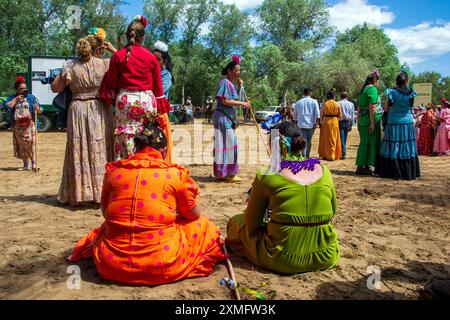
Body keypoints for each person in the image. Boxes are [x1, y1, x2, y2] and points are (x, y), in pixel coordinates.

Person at [68, 123, 226, 285]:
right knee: (204, 225)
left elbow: (106, 213)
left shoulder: (114, 172)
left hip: (110, 264)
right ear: (164, 150)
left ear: (136, 148)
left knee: (108, 227)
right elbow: (193, 214)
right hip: (160, 265)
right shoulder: (174, 174)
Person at [226, 122, 339, 274]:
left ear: (275, 146)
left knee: (236, 222)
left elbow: (251, 224)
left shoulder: (268, 174)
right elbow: (333, 211)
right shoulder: (324, 171)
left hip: (281, 257)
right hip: (325, 254)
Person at [51, 29, 116, 205]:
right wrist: (113, 49)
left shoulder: (70, 66)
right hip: (99, 108)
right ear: (99, 48)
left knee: (78, 148)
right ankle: (101, 192)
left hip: (78, 109)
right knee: (100, 147)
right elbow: (127, 66)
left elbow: (55, 88)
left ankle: (80, 193)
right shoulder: (105, 64)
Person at [100, 15, 172, 162]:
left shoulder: (118, 56)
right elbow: (158, 90)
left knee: (124, 137)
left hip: (125, 103)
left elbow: (111, 85)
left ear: (127, 36)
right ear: (143, 37)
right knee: (148, 137)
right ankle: (146, 172)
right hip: (146, 102)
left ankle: (125, 172)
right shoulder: (151, 58)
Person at [213, 56, 251, 182]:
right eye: (236, 70)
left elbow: (235, 99)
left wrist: (240, 88)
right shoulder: (225, 83)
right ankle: (229, 174)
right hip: (223, 118)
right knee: (230, 145)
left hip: (228, 118)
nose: (238, 73)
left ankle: (223, 173)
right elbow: (225, 101)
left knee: (225, 145)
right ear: (229, 71)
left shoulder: (231, 85)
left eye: (239, 70)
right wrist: (243, 104)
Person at [376, 71, 420, 180]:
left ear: (397, 81)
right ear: (407, 81)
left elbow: (387, 108)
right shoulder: (411, 93)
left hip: (394, 122)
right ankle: (407, 172)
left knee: (393, 145)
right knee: (406, 145)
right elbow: (410, 106)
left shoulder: (391, 92)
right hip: (407, 122)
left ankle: (393, 171)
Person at [4, 76, 42, 170]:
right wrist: (16, 99)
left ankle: (33, 163)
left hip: (29, 125)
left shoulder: (32, 98)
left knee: (30, 143)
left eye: (25, 88)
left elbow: (40, 110)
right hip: (18, 126)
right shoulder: (12, 98)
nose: (24, 90)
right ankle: (25, 165)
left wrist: (38, 109)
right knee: (21, 145)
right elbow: (7, 107)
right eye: (21, 88)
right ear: (17, 89)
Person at [355, 71, 382, 175]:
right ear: (375, 81)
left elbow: (359, 107)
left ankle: (363, 165)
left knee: (364, 143)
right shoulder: (372, 89)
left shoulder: (364, 89)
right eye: (378, 81)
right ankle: (365, 166)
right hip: (369, 121)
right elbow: (372, 107)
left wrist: (357, 122)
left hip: (363, 120)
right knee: (370, 144)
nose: (379, 83)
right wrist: (372, 123)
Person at [153, 40, 175, 162]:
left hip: (159, 115)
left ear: (164, 61)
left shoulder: (166, 75)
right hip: (150, 114)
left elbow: (158, 91)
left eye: (158, 60)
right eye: (153, 59)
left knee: (160, 146)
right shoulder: (150, 73)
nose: (155, 62)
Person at [293, 88, 320, 158]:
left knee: (303, 140)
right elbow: (317, 114)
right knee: (308, 140)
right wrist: (317, 123)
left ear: (304, 93)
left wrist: (295, 124)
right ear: (310, 93)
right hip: (311, 124)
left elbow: (295, 115)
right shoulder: (314, 102)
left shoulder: (298, 102)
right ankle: (306, 155)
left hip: (300, 124)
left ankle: (303, 155)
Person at [318, 90, 342, 161]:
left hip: (326, 121)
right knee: (334, 138)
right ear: (334, 97)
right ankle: (333, 154)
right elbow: (340, 116)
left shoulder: (325, 104)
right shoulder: (337, 104)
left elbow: (321, 114)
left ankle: (325, 154)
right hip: (334, 121)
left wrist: (321, 121)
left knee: (325, 138)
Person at [338, 92, 355, 159]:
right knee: (345, 138)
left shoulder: (338, 103)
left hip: (340, 121)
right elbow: (352, 114)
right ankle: (343, 152)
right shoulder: (351, 104)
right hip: (348, 122)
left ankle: (343, 153)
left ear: (341, 96)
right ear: (347, 96)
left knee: (341, 138)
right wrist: (351, 123)